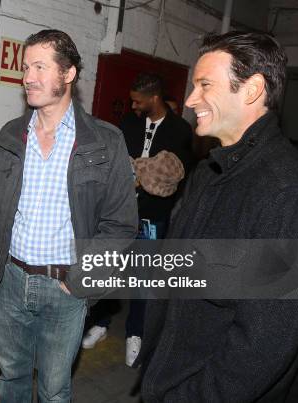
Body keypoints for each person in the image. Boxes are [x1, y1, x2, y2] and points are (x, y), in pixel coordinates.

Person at [138, 31, 298, 402]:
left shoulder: (291, 193)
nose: (191, 100)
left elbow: (266, 343)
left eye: (205, 85)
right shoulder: (209, 171)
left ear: (252, 89)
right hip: (169, 376)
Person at [0, 29, 138, 402]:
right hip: (9, 282)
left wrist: (80, 280)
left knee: (54, 388)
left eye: (40, 67)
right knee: (10, 377)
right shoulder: (10, 136)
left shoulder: (104, 142)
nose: (28, 77)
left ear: (68, 73)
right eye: (26, 67)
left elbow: (120, 224)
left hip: (66, 287)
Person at [82, 73, 193, 363]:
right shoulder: (129, 124)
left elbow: (170, 175)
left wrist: (138, 173)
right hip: (118, 213)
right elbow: (117, 163)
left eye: (137, 101)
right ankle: (101, 324)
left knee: (143, 278)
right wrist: (140, 172)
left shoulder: (179, 130)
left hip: (152, 218)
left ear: (153, 98)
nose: (133, 105)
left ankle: (136, 333)